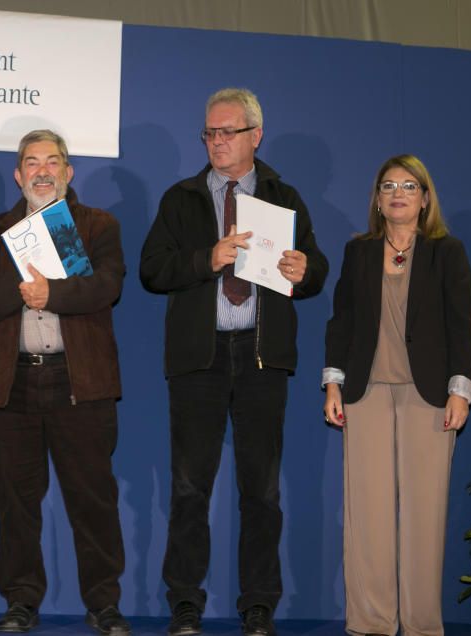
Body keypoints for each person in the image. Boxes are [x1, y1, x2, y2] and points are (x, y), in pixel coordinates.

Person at [140, 87, 328, 636]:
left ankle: (259, 605)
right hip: (199, 357)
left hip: (262, 356)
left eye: (227, 132)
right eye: (209, 133)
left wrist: (302, 270)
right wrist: (208, 258)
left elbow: (315, 270)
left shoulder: (282, 195)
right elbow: (152, 270)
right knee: (188, 488)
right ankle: (185, 604)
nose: (217, 142)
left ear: (255, 135)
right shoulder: (181, 198)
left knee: (262, 490)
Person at [0, 130, 131, 635]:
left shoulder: (97, 225)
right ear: (17, 175)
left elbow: (107, 287)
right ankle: (21, 601)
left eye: (53, 161)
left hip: (79, 383)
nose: (42, 170)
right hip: (13, 383)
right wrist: (22, 290)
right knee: (15, 502)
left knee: (93, 499)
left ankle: (103, 603)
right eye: (31, 162)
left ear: (68, 173)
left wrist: (50, 293)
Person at [322, 154, 471, 636]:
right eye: (388, 186)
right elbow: (341, 320)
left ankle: (422, 622)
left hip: (428, 396)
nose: (398, 194)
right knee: (367, 510)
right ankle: (371, 620)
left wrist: (461, 392)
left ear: (425, 197)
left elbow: (462, 328)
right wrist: (333, 383)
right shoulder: (359, 252)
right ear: (378, 199)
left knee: (424, 513)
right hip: (365, 393)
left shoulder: (447, 252)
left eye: (409, 186)